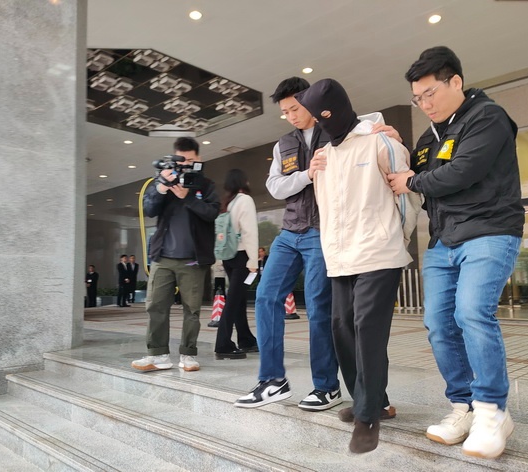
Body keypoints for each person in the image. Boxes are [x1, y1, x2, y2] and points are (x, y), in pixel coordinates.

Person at [234, 77, 401, 414]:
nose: (291, 116)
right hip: (289, 231)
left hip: (323, 232)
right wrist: (306, 174)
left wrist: (389, 134)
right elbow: (275, 187)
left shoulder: (337, 130)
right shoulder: (283, 144)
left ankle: (326, 386)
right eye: (285, 112)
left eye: (295, 108)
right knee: (266, 296)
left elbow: (371, 131)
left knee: (318, 307)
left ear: (309, 102)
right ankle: (272, 380)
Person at [389, 46, 525, 459]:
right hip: (443, 241)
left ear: (456, 82)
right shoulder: (430, 137)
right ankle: (464, 407)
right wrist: (396, 146)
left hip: (489, 231)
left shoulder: (487, 117)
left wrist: (412, 181)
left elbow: (462, 171)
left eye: (430, 93)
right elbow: (417, 170)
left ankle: (492, 411)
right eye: (417, 98)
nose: (424, 104)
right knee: (438, 323)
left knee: (472, 313)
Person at [295, 78, 415, 454]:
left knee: (368, 330)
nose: (320, 124)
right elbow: (327, 208)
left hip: (379, 252)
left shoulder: (380, 141)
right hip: (340, 258)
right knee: (342, 328)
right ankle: (374, 401)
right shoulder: (322, 157)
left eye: (322, 116)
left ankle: (367, 417)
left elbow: (407, 198)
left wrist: (396, 237)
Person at [131, 137, 220, 373]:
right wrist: (161, 187)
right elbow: (149, 209)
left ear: (198, 158)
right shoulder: (163, 180)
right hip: (163, 257)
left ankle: (188, 355)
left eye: (190, 160)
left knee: (192, 309)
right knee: (156, 306)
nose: (185, 165)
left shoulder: (206, 185)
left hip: (193, 259)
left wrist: (187, 198)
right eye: (181, 160)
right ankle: (157, 355)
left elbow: (212, 213)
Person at [214, 169, 259, 360]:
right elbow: (250, 232)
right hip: (242, 256)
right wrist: (253, 260)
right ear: (244, 181)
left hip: (228, 256)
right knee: (233, 301)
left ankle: (246, 339)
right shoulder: (245, 200)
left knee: (238, 299)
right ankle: (223, 344)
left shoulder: (227, 203)